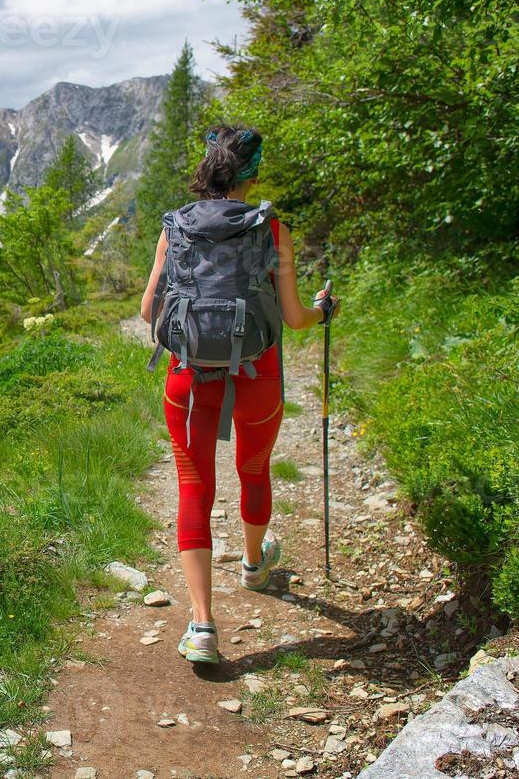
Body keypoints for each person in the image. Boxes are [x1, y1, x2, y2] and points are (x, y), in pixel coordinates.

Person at [138, 126, 338, 665]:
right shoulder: (272, 229)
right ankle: (253, 566)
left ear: (208, 169)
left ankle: (202, 626)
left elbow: (147, 310)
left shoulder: (174, 228)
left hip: (187, 376)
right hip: (258, 374)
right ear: (251, 174)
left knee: (194, 486)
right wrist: (325, 310)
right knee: (254, 467)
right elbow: (295, 318)